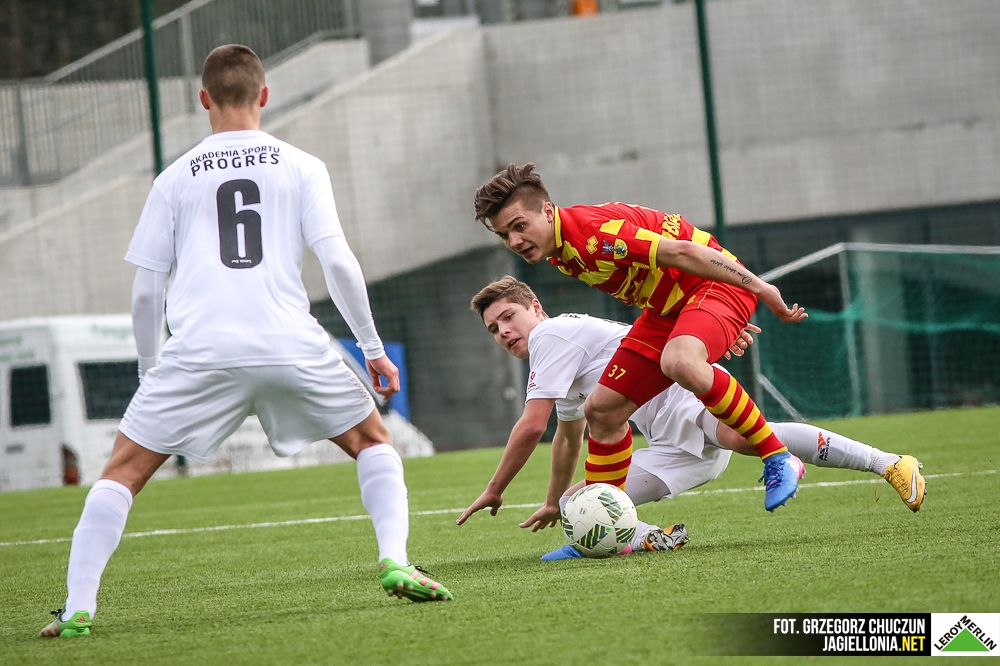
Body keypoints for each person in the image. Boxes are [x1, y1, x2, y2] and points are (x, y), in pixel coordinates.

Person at [39, 45, 451, 639]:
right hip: (289, 342)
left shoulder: (173, 178)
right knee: (371, 440)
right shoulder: (303, 165)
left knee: (121, 472)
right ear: (264, 95)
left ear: (202, 99)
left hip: (200, 352)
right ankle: (394, 559)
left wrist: (151, 371)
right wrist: (371, 347)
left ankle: (79, 608)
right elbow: (337, 260)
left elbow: (146, 290)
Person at [456, 277, 926, 560]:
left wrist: (495, 489)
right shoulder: (558, 362)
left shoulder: (552, 335)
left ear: (536, 308)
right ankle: (651, 538)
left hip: (680, 394)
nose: (504, 331)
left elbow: (532, 426)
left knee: (743, 439)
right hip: (668, 443)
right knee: (579, 504)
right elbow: (567, 437)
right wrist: (555, 501)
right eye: (494, 329)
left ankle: (888, 463)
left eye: (509, 316)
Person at [474, 164, 808, 513]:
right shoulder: (561, 252)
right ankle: (610, 518)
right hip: (670, 308)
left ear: (547, 211)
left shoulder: (591, 237)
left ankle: (778, 456)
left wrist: (760, 288)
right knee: (600, 410)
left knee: (680, 361)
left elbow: (683, 252)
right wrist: (707, 324)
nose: (514, 241)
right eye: (504, 235)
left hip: (711, 284)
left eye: (519, 226)